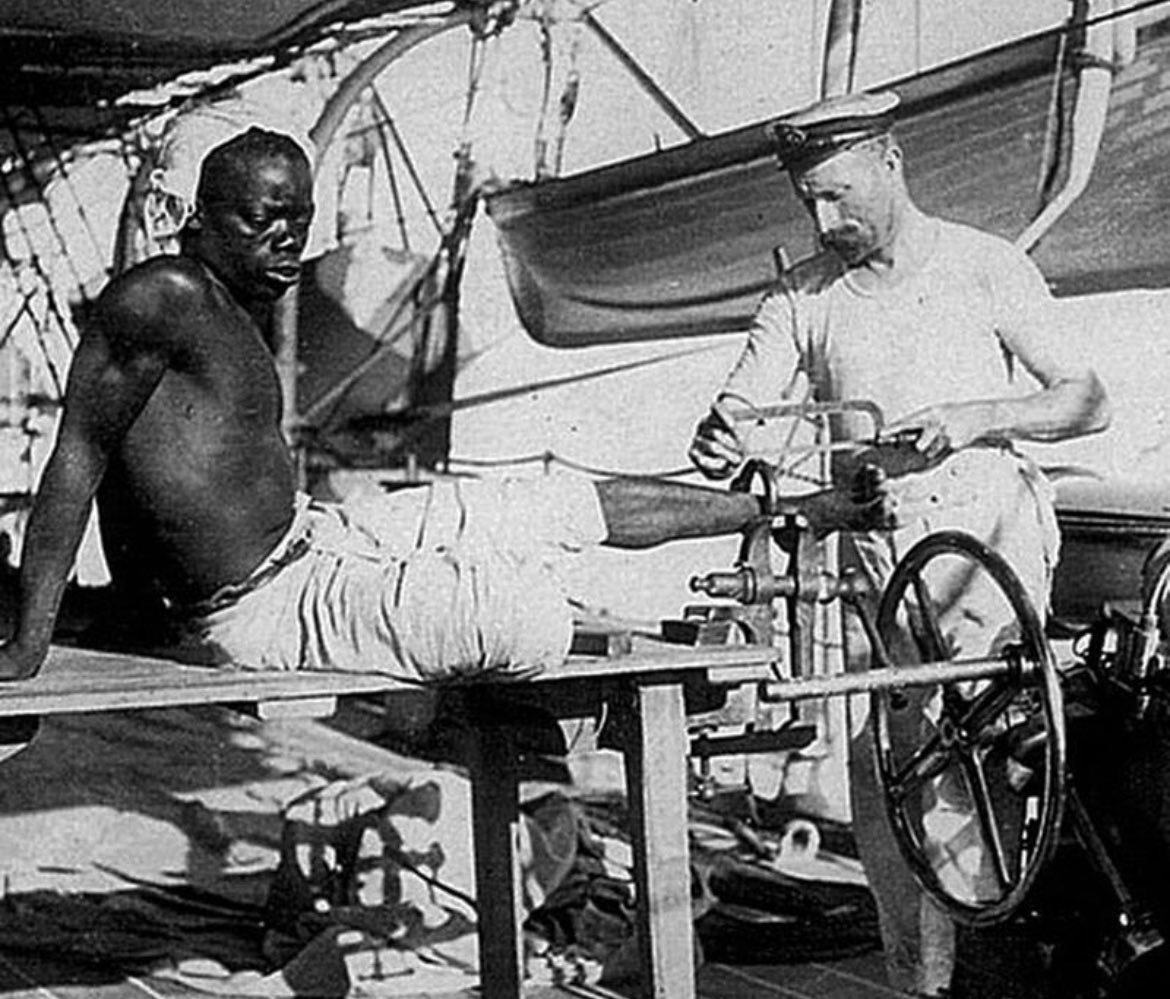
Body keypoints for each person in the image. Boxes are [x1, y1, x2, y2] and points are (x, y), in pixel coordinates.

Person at [0, 126, 888, 684]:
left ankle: (793, 507)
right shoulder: (163, 294)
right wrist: (30, 646)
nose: (287, 243)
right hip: (267, 608)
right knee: (530, 619)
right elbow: (80, 459)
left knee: (555, 503)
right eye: (263, 221)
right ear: (203, 214)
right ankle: (478, 582)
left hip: (317, 540)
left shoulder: (229, 303)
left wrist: (128, 602)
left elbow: (155, 470)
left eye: (299, 222)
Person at [689, 91, 1109, 997]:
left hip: (983, 554)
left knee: (993, 766)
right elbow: (743, 403)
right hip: (876, 567)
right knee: (889, 776)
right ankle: (921, 980)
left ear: (891, 162)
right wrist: (725, 433)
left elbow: (1085, 399)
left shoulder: (984, 266)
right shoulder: (803, 297)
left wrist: (974, 417)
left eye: (838, 195)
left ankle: (997, 974)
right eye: (808, 201)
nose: (823, 220)